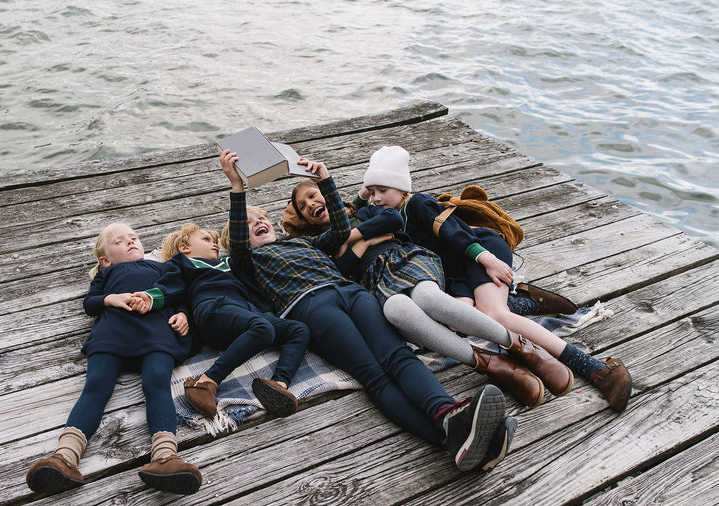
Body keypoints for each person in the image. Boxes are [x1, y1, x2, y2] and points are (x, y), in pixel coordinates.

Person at [218, 147, 511, 472]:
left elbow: (340, 231)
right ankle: (448, 436)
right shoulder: (247, 260)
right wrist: (237, 188)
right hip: (310, 305)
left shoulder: (303, 242)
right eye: (248, 223)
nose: (258, 222)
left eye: (261, 218)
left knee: (399, 356)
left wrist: (325, 179)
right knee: (375, 376)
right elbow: (239, 245)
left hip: (353, 293)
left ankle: (451, 415)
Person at [360, 145, 632, 412]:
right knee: (458, 320)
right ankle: (524, 302)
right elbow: (355, 207)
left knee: (495, 315)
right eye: (372, 192)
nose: (376, 198)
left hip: (478, 252)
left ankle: (594, 368)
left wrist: (486, 258)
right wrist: (366, 191)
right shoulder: (388, 215)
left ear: (402, 188)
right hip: (453, 274)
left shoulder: (418, 203)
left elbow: (452, 231)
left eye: (383, 190)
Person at [283, 181, 575, 409]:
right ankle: (492, 364)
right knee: (396, 311)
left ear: (328, 194)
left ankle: (521, 347)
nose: (311, 204)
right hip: (377, 280)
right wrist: (366, 241)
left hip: (407, 259)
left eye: (313, 195)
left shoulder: (362, 212)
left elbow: (392, 221)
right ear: (305, 219)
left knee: (427, 298)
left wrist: (351, 239)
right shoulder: (320, 244)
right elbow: (343, 268)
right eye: (303, 206)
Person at [25, 223, 203, 496]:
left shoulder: (160, 267)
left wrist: (183, 314)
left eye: (133, 238)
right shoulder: (107, 273)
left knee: (157, 382)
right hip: (112, 333)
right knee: (96, 385)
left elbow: (177, 293)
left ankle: (166, 457)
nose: (130, 242)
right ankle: (64, 457)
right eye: (119, 241)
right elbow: (90, 303)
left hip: (156, 332)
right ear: (105, 260)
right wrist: (110, 298)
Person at [147, 223, 310, 418]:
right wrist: (150, 298)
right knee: (263, 329)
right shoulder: (182, 263)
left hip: (246, 313)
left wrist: (268, 315)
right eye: (206, 239)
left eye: (216, 241)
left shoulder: (229, 263)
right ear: (184, 248)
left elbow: (254, 292)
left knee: (298, 330)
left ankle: (279, 384)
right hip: (213, 308)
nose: (215, 244)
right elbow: (170, 288)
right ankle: (206, 381)